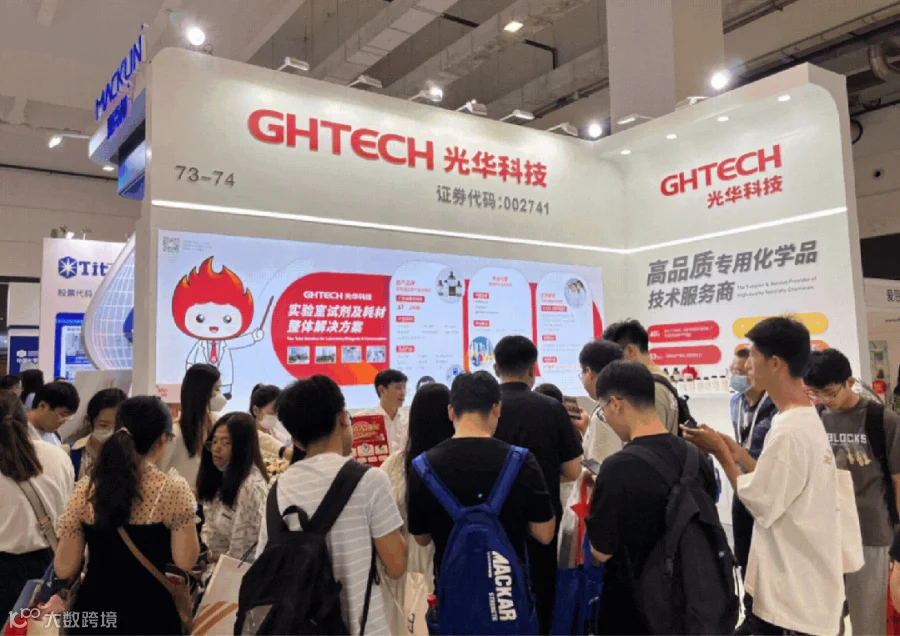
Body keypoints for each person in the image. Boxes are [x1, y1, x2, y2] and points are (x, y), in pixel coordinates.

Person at [683, 317, 843, 635]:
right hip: (795, 584)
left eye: (753, 355)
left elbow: (761, 501)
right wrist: (735, 452)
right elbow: (777, 481)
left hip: (791, 596)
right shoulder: (797, 419)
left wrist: (721, 454)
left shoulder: (790, 430)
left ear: (775, 363)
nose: (747, 365)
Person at [256, 375, 406, 635]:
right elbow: (396, 565)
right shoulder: (371, 481)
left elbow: (264, 568)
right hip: (363, 627)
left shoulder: (277, 489)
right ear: (343, 418)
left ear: (296, 441)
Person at [407, 371, 556, 626]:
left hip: (454, 603)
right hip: (507, 602)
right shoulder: (522, 461)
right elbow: (545, 534)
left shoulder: (422, 467)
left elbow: (421, 539)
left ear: (451, 412)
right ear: (497, 408)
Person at [585, 361, 718, 634]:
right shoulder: (696, 458)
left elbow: (601, 550)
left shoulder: (616, 468)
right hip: (693, 603)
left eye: (603, 412)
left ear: (615, 404)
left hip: (635, 610)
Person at [55, 396, 200, 635]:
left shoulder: (87, 490)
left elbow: (64, 567)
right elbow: (185, 561)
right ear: (162, 440)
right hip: (152, 616)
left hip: (95, 613)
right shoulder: (173, 490)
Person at [804, 348, 900, 636]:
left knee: (869, 624)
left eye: (830, 392)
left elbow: (898, 483)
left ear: (849, 382)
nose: (824, 399)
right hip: (827, 535)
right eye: (815, 393)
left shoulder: (883, 420)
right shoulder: (816, 418)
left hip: (872, 536)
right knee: (824, 623)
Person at [491, 335, 583, 633]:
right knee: (542, 595)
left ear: (496, 368)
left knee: (497, 595)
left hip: (492, 518)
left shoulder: (484, 409)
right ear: (533, 368)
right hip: (543, 517)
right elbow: (573, 469)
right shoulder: (551, 408)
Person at [379, 383, 454, 636]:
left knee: (410, 623)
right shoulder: (456, 461)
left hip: (406, 558)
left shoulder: (395, 464)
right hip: (449, 556)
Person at [0, 393, 74, 618]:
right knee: (37, 628)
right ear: (25, 422)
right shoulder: (58, 456)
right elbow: (67, 512)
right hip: (47, 566)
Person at [728, 347, 777, 578]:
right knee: (743, 550)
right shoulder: (735, 402)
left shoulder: (775, 405)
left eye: (740, 372)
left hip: (769, 485)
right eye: (732, 371)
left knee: (768, 553)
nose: (734, 377)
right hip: (743, 482)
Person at [196, 412, 269, 565]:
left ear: (242, 448)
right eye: (214, 441)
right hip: (214, 565)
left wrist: (213, 563)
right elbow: (210, 526)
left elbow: (241, 554)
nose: (216, 449)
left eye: (226, 443)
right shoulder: (219, 474)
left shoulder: (250, 488)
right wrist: (206, 557)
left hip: (235, 572)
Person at [602, 320, 679, 435]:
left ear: (630, 350)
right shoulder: (659, 380)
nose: (613, 366)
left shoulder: (651, 388)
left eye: (614, 357)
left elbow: (650, 441)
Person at [160, 363, 225, 488]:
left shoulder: (215, 422)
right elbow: (158, 477)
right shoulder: (174, 435)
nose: (220, 395)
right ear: (202, 392)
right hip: (180, 498)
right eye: (216, 389)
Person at [579, 339, 626, 464]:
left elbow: (599, 469)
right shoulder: (626, 402)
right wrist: (586, 428)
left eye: (581, 374)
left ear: (589, 373)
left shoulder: (604, 415)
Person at [68, 388, 128, 481]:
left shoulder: (131, 457)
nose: (112, 431)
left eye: (118, 426)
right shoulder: (69, 454)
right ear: (89, 421)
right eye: (103, 425)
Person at [362, 369, 409, 455]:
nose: (403, 393)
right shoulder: (364, 421)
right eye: (398, 388)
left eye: (404, 388)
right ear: (382, 390)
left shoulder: (408, 420)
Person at [26, 382, 80, 446]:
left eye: (67, 417)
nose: (63, 422)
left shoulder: (52, 431)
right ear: (43, 406)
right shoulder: (19, 434)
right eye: (62, 415)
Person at [248, 383, 292, 462]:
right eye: (273, 412)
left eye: (278, 412)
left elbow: (288, 444)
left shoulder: (275, 432)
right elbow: (263, 439)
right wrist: (284, 451)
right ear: (256, 411)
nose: (276, 416)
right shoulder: (249, 435)